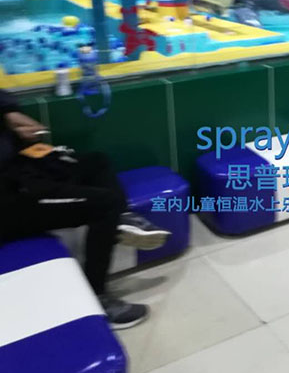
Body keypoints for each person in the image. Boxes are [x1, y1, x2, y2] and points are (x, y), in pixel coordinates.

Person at [0, 89, 171, 329]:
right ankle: (97, 296)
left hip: (18, 167)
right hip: (9, 198)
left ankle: (123, 219)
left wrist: (8, 113)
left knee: (97, 162)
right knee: (106, 204)